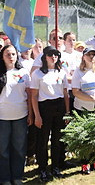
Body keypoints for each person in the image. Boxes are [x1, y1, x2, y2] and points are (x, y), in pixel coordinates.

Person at [31, 46, 70, 182]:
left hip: (59, 107)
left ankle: (55, 166)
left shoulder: (62, 72)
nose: (53, 57)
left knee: (57, 139)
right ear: (44, 57)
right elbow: (34, 96)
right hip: (44, 107)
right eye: (50, 54)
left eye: (56, 54)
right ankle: (42, 168)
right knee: (42, 140)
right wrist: (37, 115)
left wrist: (67, 112)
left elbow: (65, 93)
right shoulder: (37, 74)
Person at [0, 45, 32, 185]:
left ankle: (17, 176)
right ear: (2, 56)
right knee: (3, 150)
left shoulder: (24, 72)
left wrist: (31, 114)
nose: (11, 57)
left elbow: (30, 95)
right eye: (7, 54)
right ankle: (5, 178)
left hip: (21, 115)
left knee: (19, 149)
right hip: (2, 117)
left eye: (13, 54)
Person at [71, 47, 95, 174]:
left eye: (93, 54)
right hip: (82, 108)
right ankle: (84, 162)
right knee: (84, 136)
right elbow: (75, 91)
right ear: (83, 56)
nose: (91, 57)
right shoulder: (78, 72)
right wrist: (90, 99)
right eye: (89, 54)